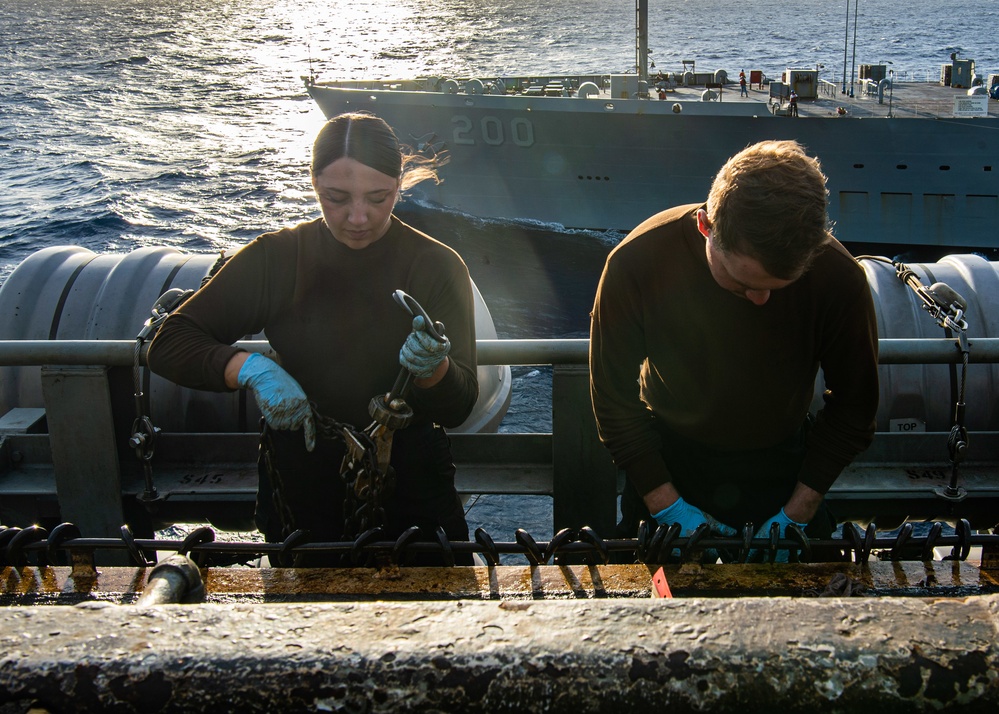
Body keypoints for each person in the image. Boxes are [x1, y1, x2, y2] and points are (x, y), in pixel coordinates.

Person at [147, 111, 479, 566]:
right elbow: (169, 341)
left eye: (379, 198)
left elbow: (459, 407)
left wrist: (435, 370)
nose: (358, 217)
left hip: (413, 494)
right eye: (336, 198)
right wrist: (249, 368)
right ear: (313, 185)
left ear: (400, 186)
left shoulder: (438, 265)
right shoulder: (277, 258)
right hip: (300, 489)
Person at [589, 140, 879, 562]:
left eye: (777, 288)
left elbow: (855, 407)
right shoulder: (636, 263)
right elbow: (613, 400)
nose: (760, 300)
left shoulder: (839, 277)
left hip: (785, 470)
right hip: (669, 464)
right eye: (742, 283)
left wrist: (798, 512)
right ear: (706, 226)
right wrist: (667, 506)